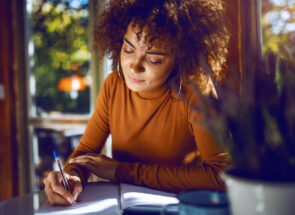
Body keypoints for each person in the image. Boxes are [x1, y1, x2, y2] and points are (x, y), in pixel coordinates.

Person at [43, 0, 230, 206]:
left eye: (154, 59)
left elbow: (220, 175)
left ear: (180, 60)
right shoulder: (114, 85)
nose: (134, 66)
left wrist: (121, 171)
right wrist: (70, 176)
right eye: (128, 49)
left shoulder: (196, 94)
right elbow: (87, 152)